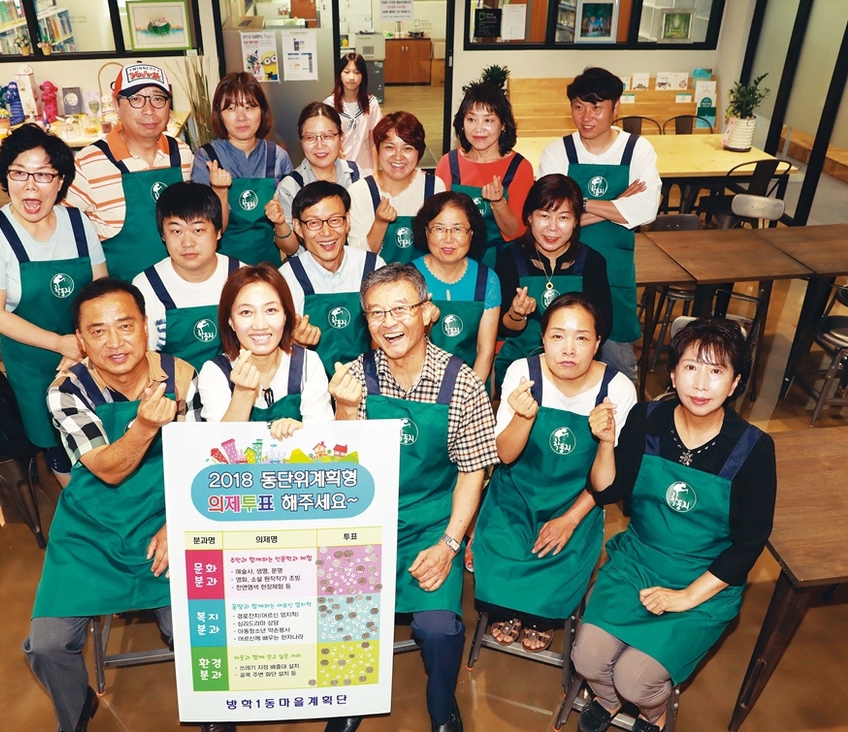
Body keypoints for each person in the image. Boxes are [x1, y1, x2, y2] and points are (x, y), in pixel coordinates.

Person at [22, 278, 227, 732]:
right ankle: (76, 710)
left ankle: (216, 714)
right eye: (98, 331)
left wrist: (179, 523)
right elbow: (108, 469)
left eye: (125, 325)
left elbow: (203, 464)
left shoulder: (184, 376)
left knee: (195, 626)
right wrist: (145, 427)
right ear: (81, 340)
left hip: (164, 514)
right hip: (91, 528)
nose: (115, 342)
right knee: (48, 644)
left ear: (146, 327)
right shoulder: (67, 391)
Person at [573, 318, 776, 732]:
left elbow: (749, 543)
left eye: (716, 371)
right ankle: (608, 701)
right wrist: (606, 444)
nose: (700, 384)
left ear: (735, 383)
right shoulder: (646, 418)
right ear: (672, 372)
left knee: (636, 679)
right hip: (638, 562)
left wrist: (685, 597)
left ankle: (655, 714)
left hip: (704, 579)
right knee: (587, 659)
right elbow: (608, 491)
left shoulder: (753, 449)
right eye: (690, 367)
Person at [327, 263, 498, 732]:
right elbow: (340, 471)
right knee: (342, 611)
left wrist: (448, 545)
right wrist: (344, 411)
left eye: (401, 309)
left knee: (438, 628)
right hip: (365, 521)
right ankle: (349, 696)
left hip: (431, 522)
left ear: (427, 313)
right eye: (376, 313)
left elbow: (472, 473)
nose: (389, 323)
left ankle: (443, 704)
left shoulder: (462, 383)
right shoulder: (352, 379)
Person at [474, 294, 635, 653]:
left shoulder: (617, 390)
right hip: (514, 497)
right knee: (500, 566)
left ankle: (537, 617)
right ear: (543, 338)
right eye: (558, 336)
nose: (568, 349)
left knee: (555, 571)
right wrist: (523, 417)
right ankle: (513, 610)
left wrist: (570, 519)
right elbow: (504, 455)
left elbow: (606, 486)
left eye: (581, 338)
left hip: (576, 502)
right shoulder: (523, 374)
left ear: (598, 342)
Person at [0, 123, 107, 486]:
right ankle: (79, 511)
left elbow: (99, 293)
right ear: (5, 177)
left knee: (102, 436)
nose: (30, 186)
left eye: (43, 174)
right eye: (19, 173)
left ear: (61, 181)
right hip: (34, 365)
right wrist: (60, 344)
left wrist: (81, 345)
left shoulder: (78, 223)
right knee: (58, 445)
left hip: (87, 353)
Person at [538, 66, 661, 382]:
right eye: (578, 107)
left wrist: (578, 206)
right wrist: (618, 202)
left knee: (620, 368)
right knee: (563, 362)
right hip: (568, 271)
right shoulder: (558, 152)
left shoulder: (637, 150)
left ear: (616, 107)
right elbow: (547, 217)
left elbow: (646, 209)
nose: (586, 117)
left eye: (596, 107)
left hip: (614, 272)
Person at [66, 63, 191, 282]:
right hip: (122, 293)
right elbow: (61, 228)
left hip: (179, 288)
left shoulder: (182, 154)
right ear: (116, 104)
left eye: (158, 99)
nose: (149, 110)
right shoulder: (87, 164)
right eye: (136, 99)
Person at [494, 173, 612, 387]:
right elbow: (504, 328)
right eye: (544, 216)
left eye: (563, 217)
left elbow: (604, 325)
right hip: (522, 362)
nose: (552, 227)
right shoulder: (509, 258)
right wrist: (517, 314)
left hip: (575, 363)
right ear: (529, 217)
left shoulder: (592, 262)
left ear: (576, 221)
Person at [198, 263, 334, 426]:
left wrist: (301, 432)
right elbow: (220, 440)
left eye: (270, 310)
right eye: (246, 312)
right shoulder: (215, 372)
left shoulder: (308, 363)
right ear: (231, 321)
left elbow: (321, 436)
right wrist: (243, 392)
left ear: (286, 315)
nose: (260, 325)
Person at [131, 181, 244, 370]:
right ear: (163, 235)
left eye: (198, 230)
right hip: (171, 384)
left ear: (218, 232)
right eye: (176, 231)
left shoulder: (242, 277)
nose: (187, 242)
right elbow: (144, 360)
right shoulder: (146, 286)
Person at [279, 180, 385, 378]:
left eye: (335, 220)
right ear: (298, 227)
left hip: (370, 381)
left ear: (347, 221)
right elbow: (275, 354)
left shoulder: (373, 267)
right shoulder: (285, 279)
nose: (326, 232)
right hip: (311, 385)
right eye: (314, 223)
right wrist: (295, 343)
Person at [190, 72, 294, 266]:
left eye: (249, 107)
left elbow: (291, 234)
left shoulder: (278, 156)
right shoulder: (207, 158)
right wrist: (219, 192)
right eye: (231, 108)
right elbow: (205, 230)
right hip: (222, 268)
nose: (241, 117)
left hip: (269, 267)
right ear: (219, 114)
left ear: (262, 111)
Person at [435, 81, 534, 268]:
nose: (478, 128)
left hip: (502, 263)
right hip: (452, 262)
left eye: (488, 120)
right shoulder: (448, 163)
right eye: (471, 119)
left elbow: (516, 232)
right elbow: (435, 223)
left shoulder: (520, 167)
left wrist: (498, 203)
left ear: (503, 124)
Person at [412, 191, 500, 384]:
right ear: (426, 232)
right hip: (417, 384)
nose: (448, 238)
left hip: (471, 383)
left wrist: (469, 394)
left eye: (458, 229)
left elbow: (484, 351)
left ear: (472, 233)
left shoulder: (487, 280)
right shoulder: (408, 278)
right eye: (439, 229)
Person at [347, 112, 445, 264]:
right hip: (376, 278)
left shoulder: (434, 187)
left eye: (407, 148)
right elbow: (357, 258)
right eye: (389, 147)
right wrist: (379, 223)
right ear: (377, 150)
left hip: (424, 277)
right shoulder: (359, 192)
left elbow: (444, 244)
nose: (398, 157)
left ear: (419, 152)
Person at [275, 102, 361, 227]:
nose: (320, 145)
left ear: (341, 137)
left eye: (327, 136)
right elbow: (289, 239)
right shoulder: (290, 187)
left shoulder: (356, 175)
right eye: (310, 138)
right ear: (301, 141)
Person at [324, 53, 381, 176]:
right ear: (339, 75)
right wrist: (345, 169)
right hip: (339, 170)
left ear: (363, 76)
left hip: (366, 170)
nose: (351, 77)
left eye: (356, 72)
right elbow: (329, 142)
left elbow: (374, 142)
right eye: (346, 72)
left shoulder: (372, 103)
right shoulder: (329, 105)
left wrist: (376, 172)